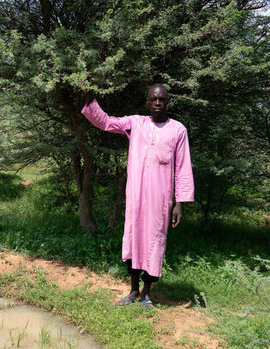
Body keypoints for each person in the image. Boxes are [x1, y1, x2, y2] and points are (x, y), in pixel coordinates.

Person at [81, 84, 194, 306]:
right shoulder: (136, 124)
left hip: (160, 200)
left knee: (154, 243)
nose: (157, 103)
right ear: (147, 101)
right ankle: (133, 291)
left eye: (161, 99)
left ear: (167, 102)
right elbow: (105, 122)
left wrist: (179, 203)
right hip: (136, 197)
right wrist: (90, 97)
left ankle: (147, 293)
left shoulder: (178, 130)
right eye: (153, 99)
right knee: (133, 239)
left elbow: (183, 167)